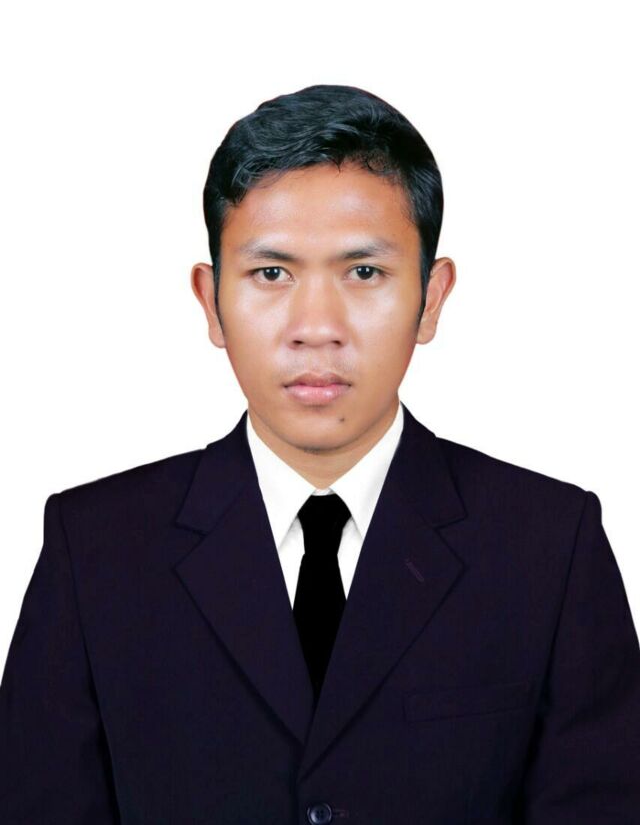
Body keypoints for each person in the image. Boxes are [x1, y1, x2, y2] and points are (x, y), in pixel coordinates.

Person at [1, 83, 638, 824]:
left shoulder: (550, 545)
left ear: (431, 298)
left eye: (364, 272)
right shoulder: (95, 547)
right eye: (271, 273)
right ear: (211, 302)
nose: (315, 326)